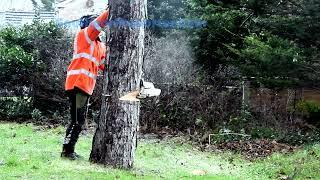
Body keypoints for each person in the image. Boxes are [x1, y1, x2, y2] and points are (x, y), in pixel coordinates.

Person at [61, 6, 110, 160]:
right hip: (77, 84)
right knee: (77, 120)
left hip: (85, 86)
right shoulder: (84, 36)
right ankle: (67, 151)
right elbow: (97, 24)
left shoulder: (99, 46)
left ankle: (68, 150)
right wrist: (110, 11)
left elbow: (103, 64)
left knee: (78, 120)